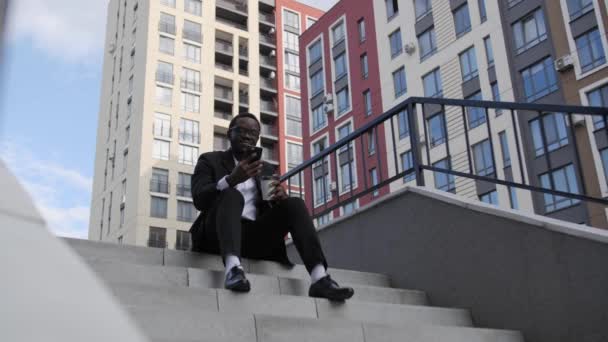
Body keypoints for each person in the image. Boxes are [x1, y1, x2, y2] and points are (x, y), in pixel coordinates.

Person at [190, 113, 354, 301]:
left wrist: (280, 200)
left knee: (294, 203)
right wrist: (230, 180)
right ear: (229, 134)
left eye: (253, 133)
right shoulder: (209, 160)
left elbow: (270, 208)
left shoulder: (266, 169)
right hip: (217, 236)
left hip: (254, 238)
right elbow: (199, 199)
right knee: (231, 194)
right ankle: (233, 269)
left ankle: (319, 278)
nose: (247, 136)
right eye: (241, 131)